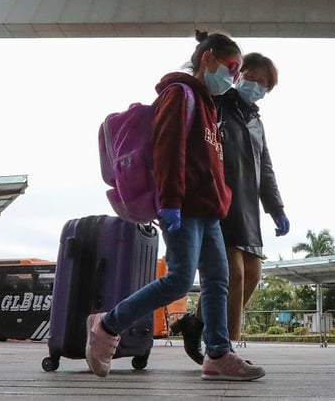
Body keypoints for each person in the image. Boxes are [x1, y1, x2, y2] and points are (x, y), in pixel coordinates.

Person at [85, 30, 265, 381]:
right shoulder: (180, 94)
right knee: (179, 280)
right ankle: (106, 325)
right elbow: (168, 150)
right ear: (208, 58)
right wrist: (169, 202)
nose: (233, 78)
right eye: (231, 67)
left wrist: (221, 201)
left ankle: (217, 354)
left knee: (218, 280)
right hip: (182, 206)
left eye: (238, 72)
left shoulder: (210, 106)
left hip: (208, 209)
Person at [171, 52, 289, 364]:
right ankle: (223, 349)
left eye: (264, 83)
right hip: (218, 199)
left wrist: (275, 207)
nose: (257, 86)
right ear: (239, 74)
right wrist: (205, 51)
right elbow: (200, 82)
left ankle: (196, 322)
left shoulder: (256, 123)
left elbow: (265, 167)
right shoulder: (218, 102)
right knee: (230, 274)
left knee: (252, 273)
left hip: (247, 207)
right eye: (252, 77)